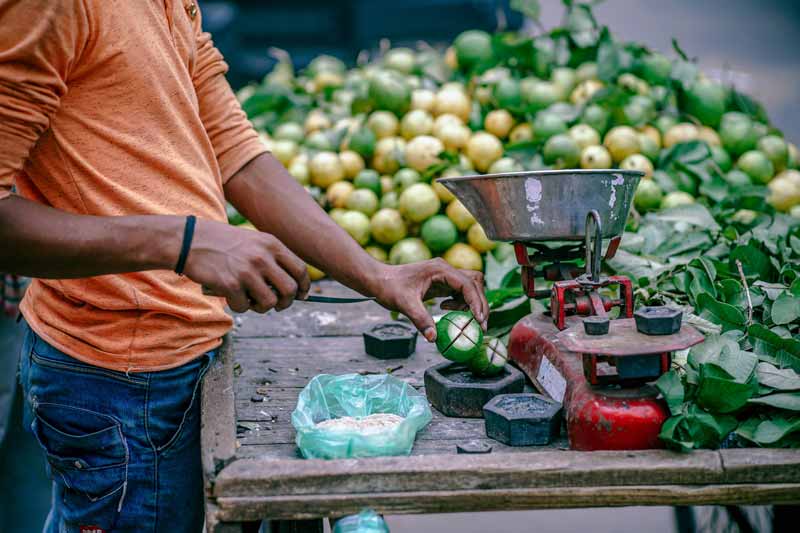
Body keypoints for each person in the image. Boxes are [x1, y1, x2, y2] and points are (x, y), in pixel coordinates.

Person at [0, 2, 488, 532]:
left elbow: (233, 148)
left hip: (187, 356)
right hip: (119, 382)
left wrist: (377, 275)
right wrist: (184, 241)